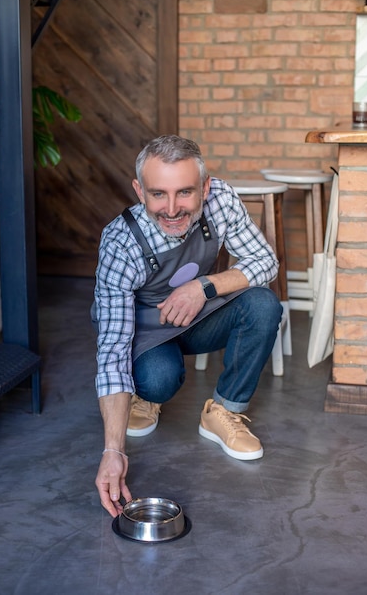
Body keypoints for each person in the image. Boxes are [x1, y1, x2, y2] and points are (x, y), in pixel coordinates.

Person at [92, 135, 283, 517]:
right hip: (145, 332)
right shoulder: (120, 242)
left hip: (197, 314)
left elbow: (265, 261)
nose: (172, 208)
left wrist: (204, 286)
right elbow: (112, 348)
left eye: (185, 193)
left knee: (263, 304)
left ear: (206, 187)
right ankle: (145, 394)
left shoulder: (222, 200)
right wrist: (112, 451)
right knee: (159, 379)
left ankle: (223, 411)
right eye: (158, 194)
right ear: (139, 190)